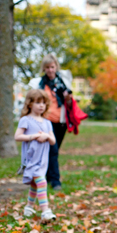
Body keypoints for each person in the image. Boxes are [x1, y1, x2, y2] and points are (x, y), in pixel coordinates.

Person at [29, 54, 76, 191]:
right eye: (47, 67)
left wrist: (68, 98)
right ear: (44, 68)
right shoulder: (39, 85)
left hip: (60, 122)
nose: (50, 70)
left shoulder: (63, 82)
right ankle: (55, 182)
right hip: (45, 122)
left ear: (56, 67)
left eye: (52, 67)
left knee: (53, 151)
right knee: (53, 150)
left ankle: (48, 177)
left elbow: (69, 103)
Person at [14, 90, 57, 221]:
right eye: (38, 102)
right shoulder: (25, 120)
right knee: (42, 182)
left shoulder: (47, 122)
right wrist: (34, 136)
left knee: (34, 183)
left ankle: (29, 207)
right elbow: (17, 136)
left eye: (44, 103)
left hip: (42, 159)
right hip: (31, 159)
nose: (41, 105)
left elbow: (53, 141)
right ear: (30, 104)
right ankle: (45, 211)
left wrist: (46, 136)